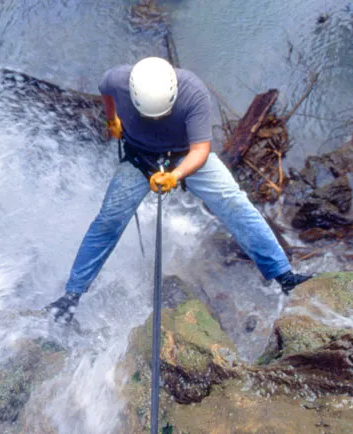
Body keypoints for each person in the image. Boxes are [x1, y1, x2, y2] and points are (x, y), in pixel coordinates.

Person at [46, 57, 311, 323]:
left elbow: (201, 150)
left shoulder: (193, 92)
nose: (157, 118)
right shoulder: (117, 79)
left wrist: (174, 176)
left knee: (234, 203)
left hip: (185, 156)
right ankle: (71, 297)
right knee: (108, 221)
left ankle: (283, 275)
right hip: (140, 157)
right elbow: (106, 92)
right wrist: (111, 119)